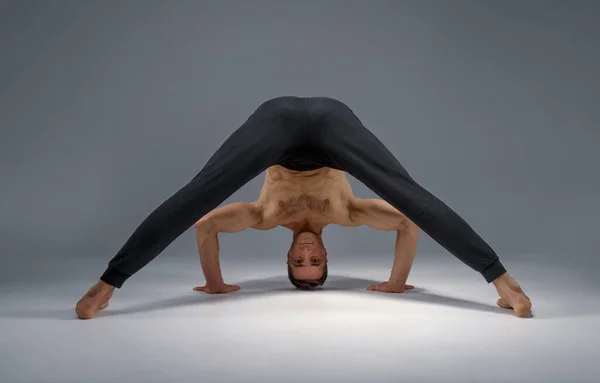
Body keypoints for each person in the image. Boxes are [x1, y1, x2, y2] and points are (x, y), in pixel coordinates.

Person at [76, 96, 532, 319]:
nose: (308, 254)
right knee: (405, 191)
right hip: (332, 123)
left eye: (300, 262)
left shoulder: (263, 217)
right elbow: (406, 223)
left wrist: (215, 285)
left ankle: (105, 286)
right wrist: (396, 284)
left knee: (202, 191)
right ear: (328, 256)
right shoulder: (348, 213)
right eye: (315, 262)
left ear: (287, 257)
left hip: (276, 123)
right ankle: (505, 283)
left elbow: (205, 225)